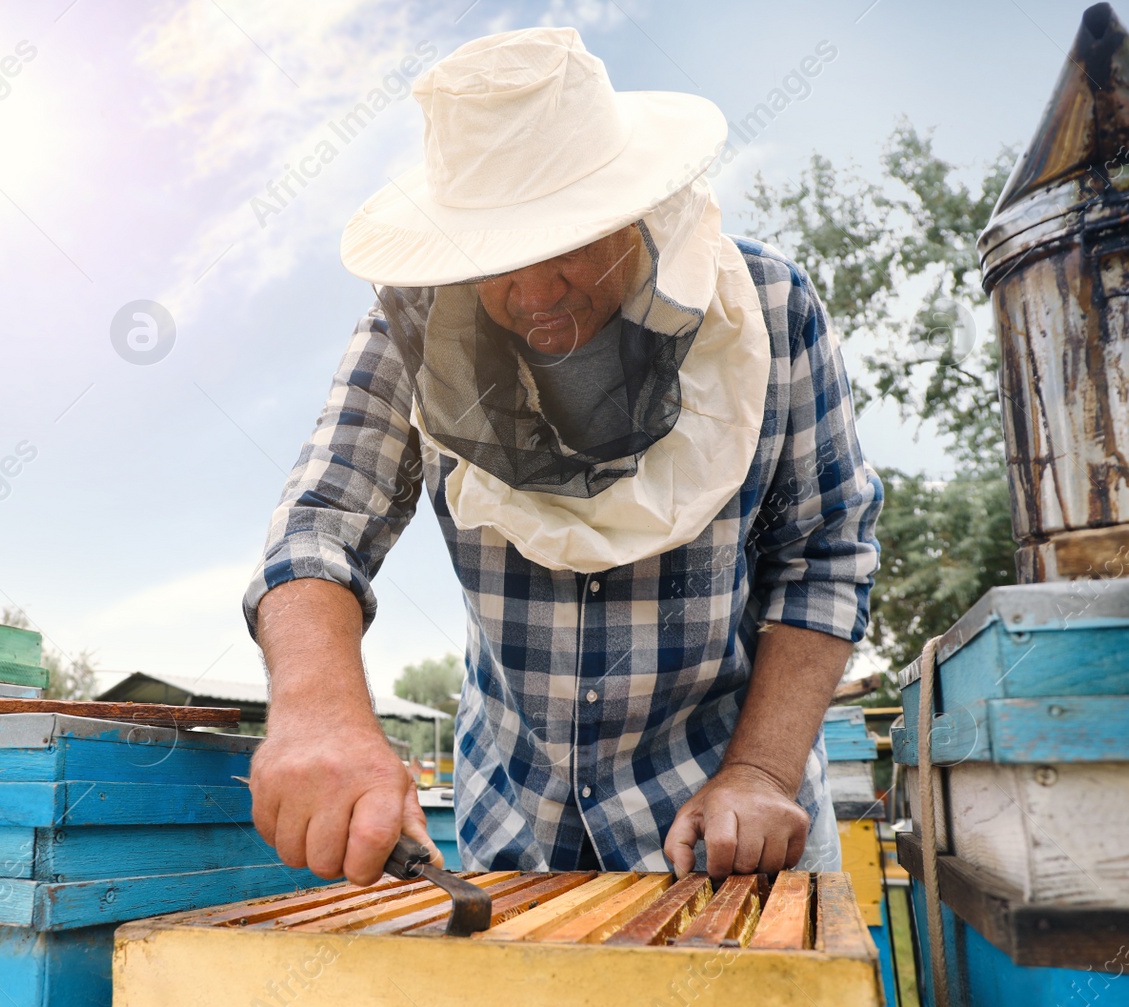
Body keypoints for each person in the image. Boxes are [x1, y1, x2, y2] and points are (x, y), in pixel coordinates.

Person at [242, 27, 882, 887]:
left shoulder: (769, 307)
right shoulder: (411, 337)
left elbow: (825, 555)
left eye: (569, 239)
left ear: (633, 210)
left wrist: (763, 771)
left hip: (727, 827)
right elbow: (319, 526)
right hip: (514, 827)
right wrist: (320, 714)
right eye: (499, 258)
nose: (537, 291)